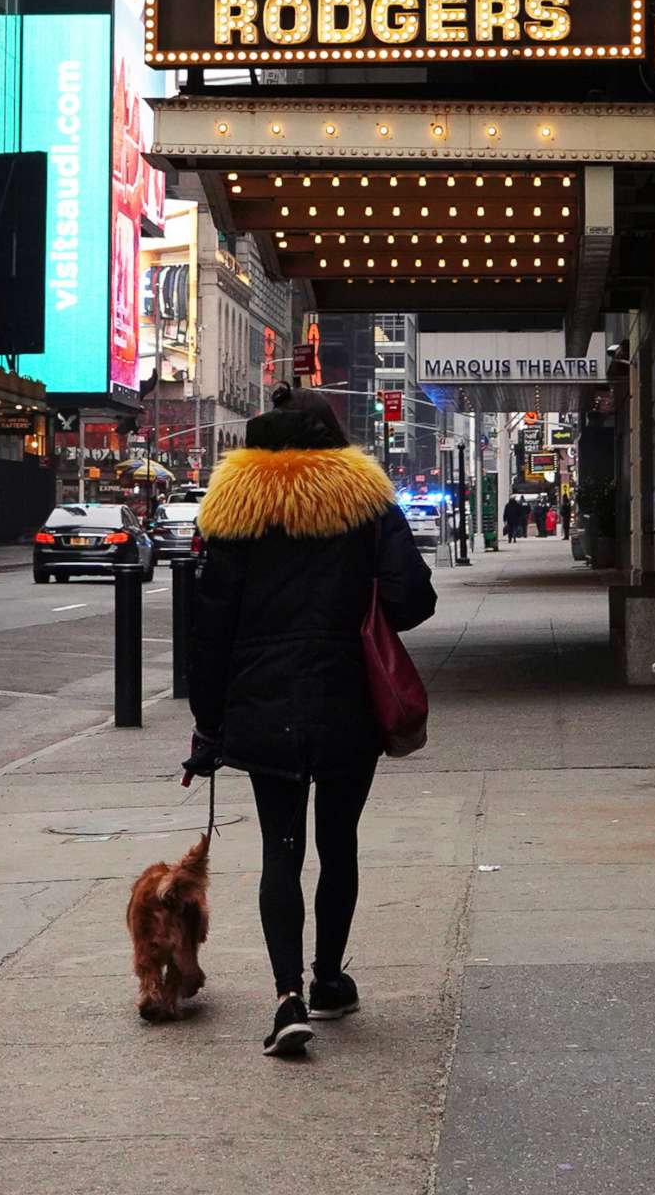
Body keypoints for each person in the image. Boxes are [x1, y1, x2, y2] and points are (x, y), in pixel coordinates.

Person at [184, 387, 436, 1058]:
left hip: (265, 703)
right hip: (347, 696)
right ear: (331, 436)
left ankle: (285, 998)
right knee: (339, 842)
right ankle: (329, 978)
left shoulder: (234, 501)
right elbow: (414, 596)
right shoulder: (364, 496)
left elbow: (208, 626)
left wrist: (209, 724)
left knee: (281, 849)